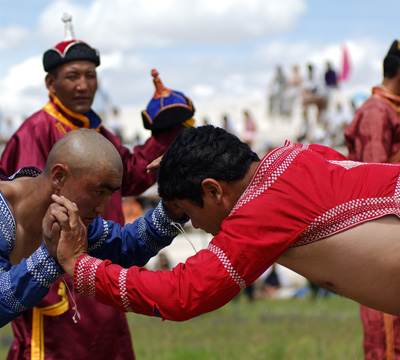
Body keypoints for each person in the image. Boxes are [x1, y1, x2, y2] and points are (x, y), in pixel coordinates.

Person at [51, 125, 400, 329]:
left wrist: (79, 267)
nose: (199, 228)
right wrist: (187, 159)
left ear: (213, 189)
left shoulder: (263, 207)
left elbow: (182, 293)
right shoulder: (295, 157)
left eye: (188, 213)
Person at [0, 14, 193, 360]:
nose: (83, 85)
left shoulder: (97, 132)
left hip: (105, 267)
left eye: (90, 76)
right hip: (55, 279)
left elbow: (131, 175)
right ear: (50, 82)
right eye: (72, 76)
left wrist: (167, 131)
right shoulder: (35, 131)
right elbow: (22, 215)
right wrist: (40, 284)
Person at [0, 129, 184, 360]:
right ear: (59, 177)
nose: (104, 207)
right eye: (99, 192)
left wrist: (175, 203)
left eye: (110, 194)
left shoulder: (64, 214)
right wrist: (50, 258)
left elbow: (126, 245)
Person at [344, 40, 400, 360]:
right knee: (388, 342)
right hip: (382, 241)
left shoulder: (391, 110)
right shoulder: (375, 113)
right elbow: (375, 186)